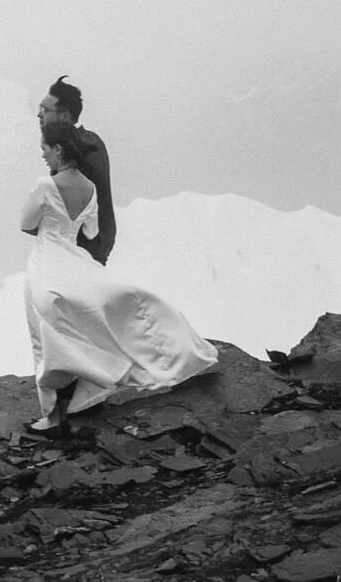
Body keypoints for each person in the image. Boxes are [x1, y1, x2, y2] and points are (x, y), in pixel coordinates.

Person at [20, 122, 218, 434]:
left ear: (58, 149)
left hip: (46, 264)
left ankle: (56, 417)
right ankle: (82, 398)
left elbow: (26, 223)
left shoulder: (45, 185)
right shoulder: (89, 187)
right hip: (75, 261)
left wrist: (50, 220)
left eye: (45, 147)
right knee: (79, 326)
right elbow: (91, 232)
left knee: (46, 336)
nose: (43, 154)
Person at [36, 76, 114, 264]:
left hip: (84, 249)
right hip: (82, 246)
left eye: (45, 110)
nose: (39, 115)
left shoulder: (83, 146)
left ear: (64, 115)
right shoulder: (84, 141)